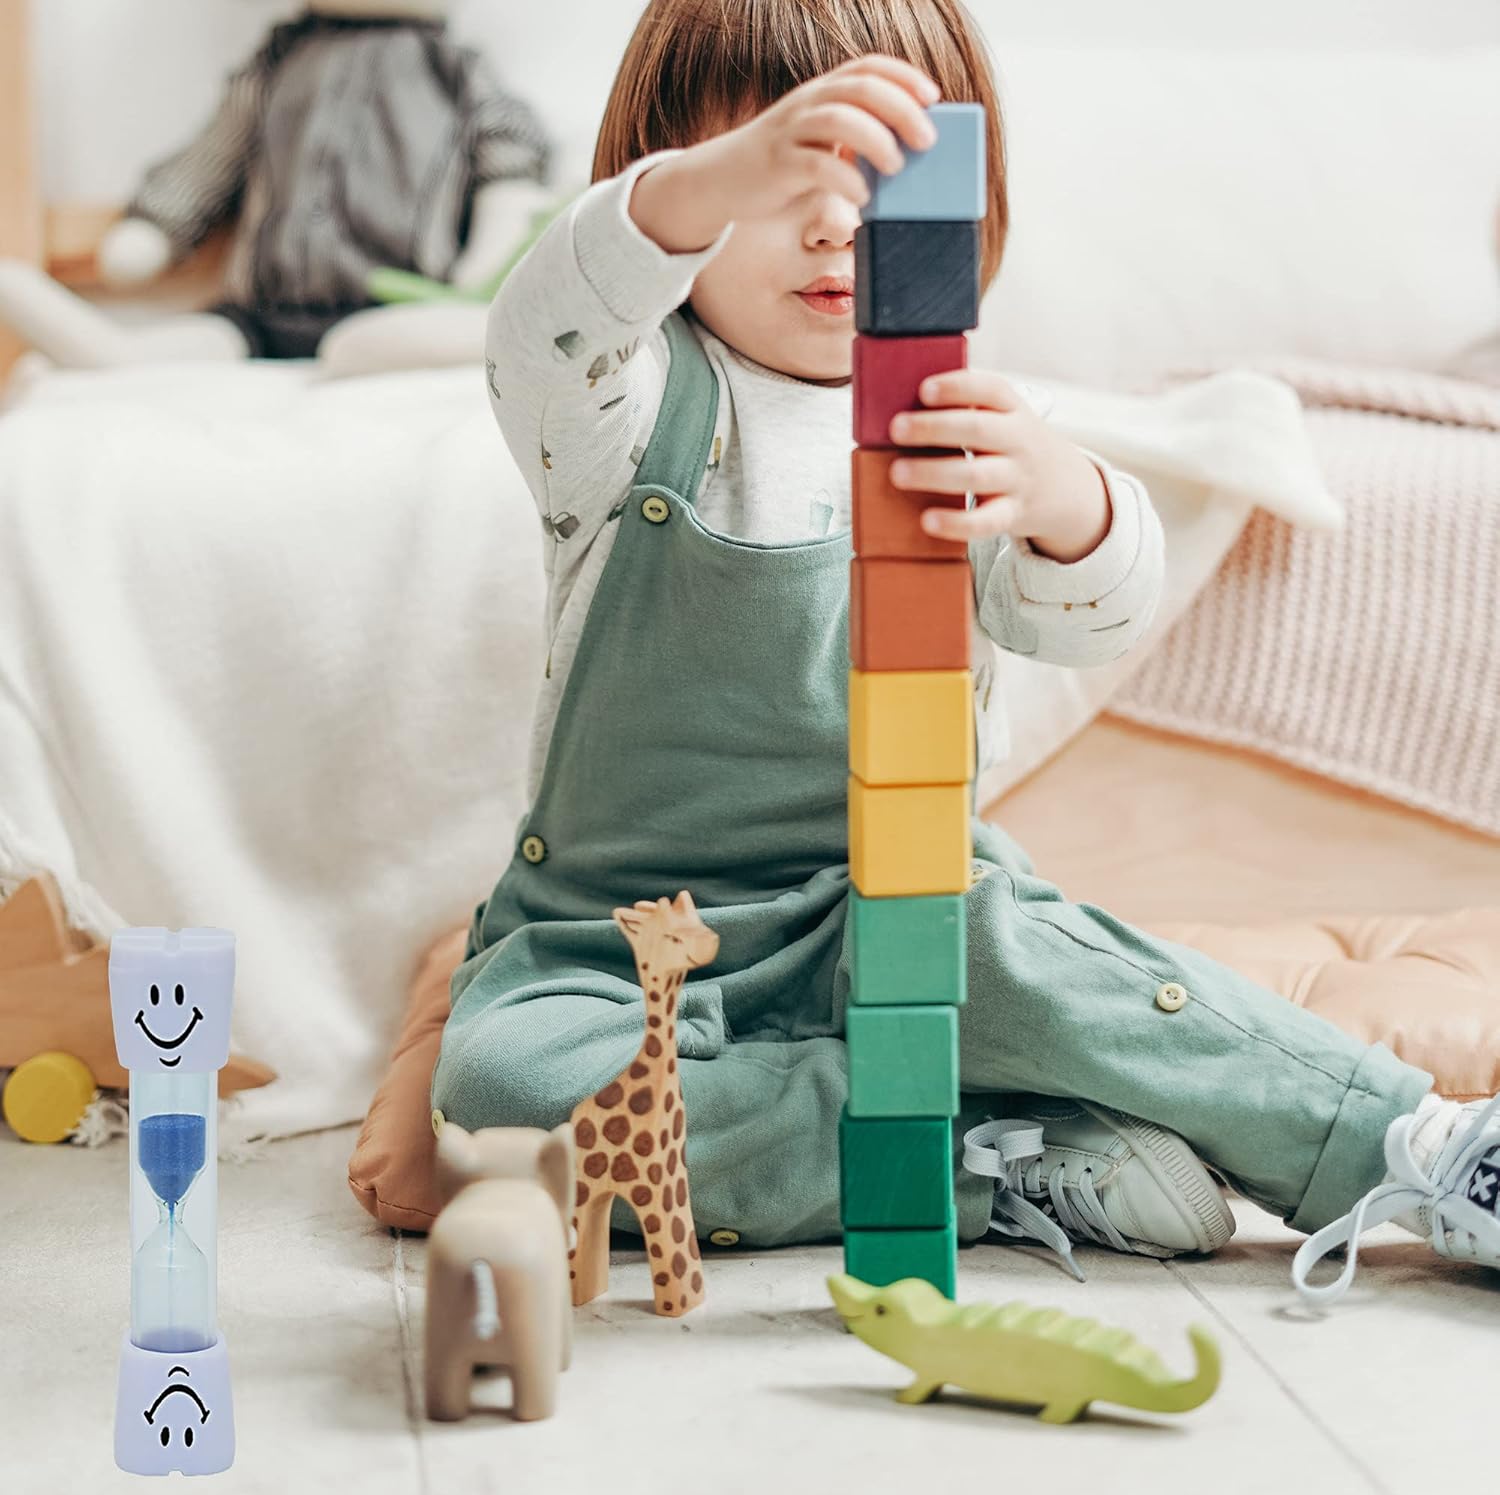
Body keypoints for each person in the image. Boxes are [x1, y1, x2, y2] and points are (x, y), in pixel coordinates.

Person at [432, 0, 1500, 1305]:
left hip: (887, 904)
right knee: (504, 1097)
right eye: (780, 182)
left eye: (879, 185)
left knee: (1031, 951)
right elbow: (540, 324)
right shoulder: (621, 405)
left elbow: (1084, 620)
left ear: (967, 213)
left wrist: (1070, 504)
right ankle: (994, 1150)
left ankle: (1414, 1149)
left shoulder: (954, 420)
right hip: (617, 945)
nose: (831, 224)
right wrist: (708, 186)